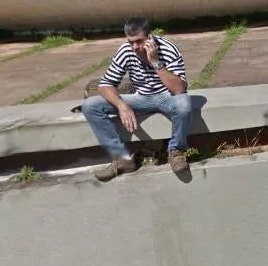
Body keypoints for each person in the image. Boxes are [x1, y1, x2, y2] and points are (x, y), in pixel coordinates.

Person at [81, 18, 193, 179]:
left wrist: (155, 61)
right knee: (90, 105)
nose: (135, 47)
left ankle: (176, 152)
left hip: (167, 97)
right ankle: (123, 160)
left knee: (183, 103)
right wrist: (122, 106)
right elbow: (105, 84)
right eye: (130, 42)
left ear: (149, 37)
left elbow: (179, 89)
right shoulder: (126, 50)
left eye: (139, 41)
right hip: (140, 97)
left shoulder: (168, 49)